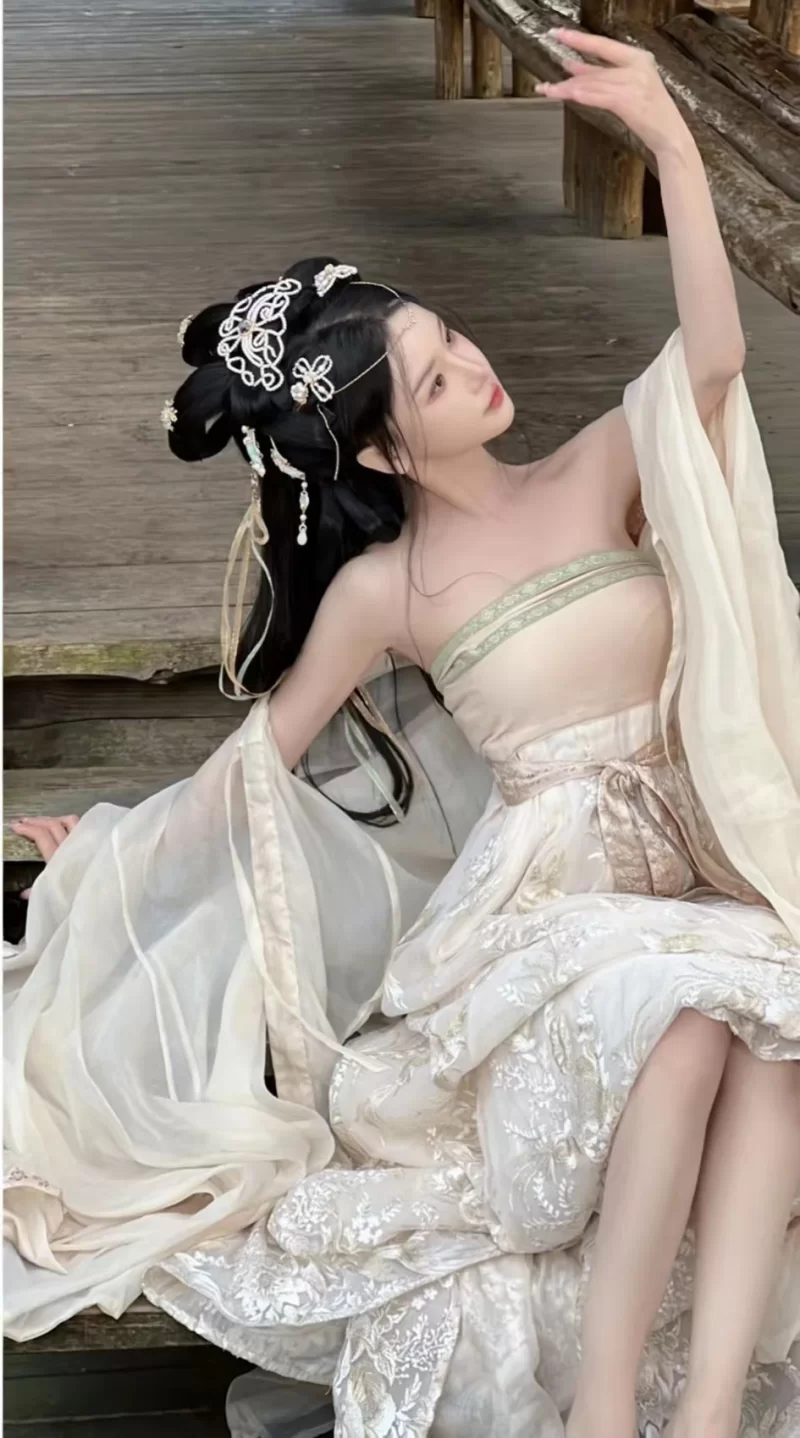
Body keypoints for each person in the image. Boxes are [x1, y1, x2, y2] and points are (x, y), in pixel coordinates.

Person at [6, 29, 800, 1438]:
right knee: (682, 1025)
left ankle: (709, 1417)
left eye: (451, 339)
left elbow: (718, 357)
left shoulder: (596, 466)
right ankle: (605, 1415)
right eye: (433, 382)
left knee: (773, 1038)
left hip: (702, 855)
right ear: (377, 449)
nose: (475, 371)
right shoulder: (389, 590)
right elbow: (259, 764)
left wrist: (675, 144)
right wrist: (107, 859)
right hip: (554, 905)